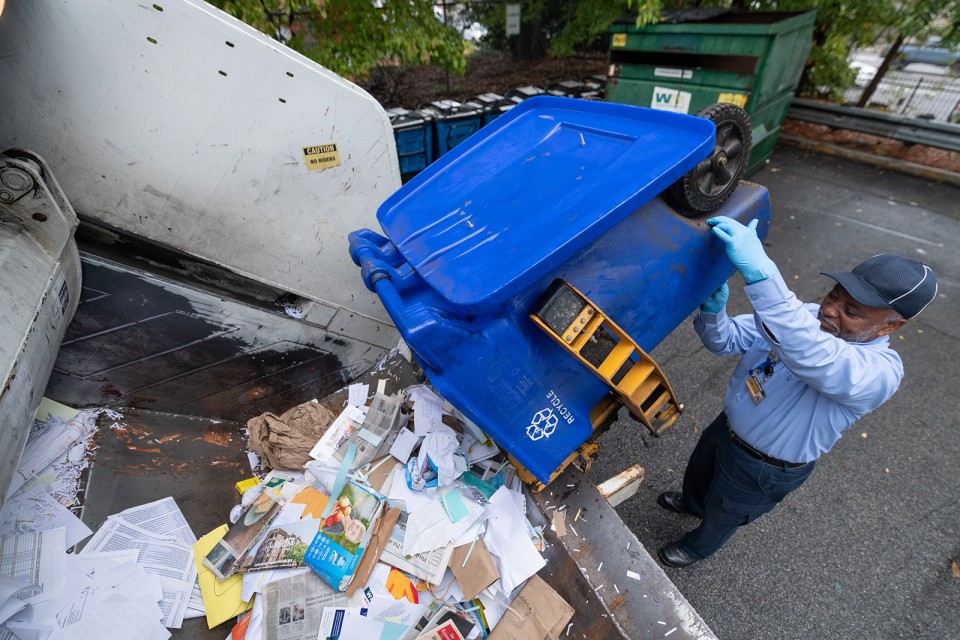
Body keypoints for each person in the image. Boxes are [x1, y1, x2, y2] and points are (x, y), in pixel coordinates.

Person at [657, 216, 938, 568]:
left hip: (764, 467)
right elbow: (725, 339)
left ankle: (696, 547)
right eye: (835, 294)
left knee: (725, 513)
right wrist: (714, 313)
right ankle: (692, 503)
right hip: (725, 429)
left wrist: (764, 273)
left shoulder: (880, 372)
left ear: (892, 324)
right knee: (700, 474)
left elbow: (811, 354)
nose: (831, 310)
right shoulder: (802, 315)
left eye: (852, 311)